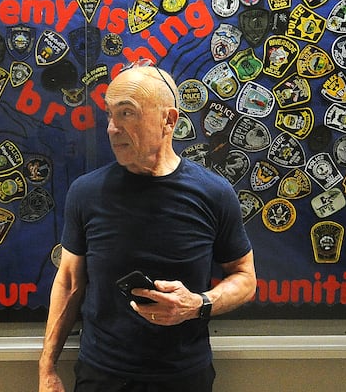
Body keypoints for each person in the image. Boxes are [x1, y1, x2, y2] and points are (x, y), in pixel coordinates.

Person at [38, 63, 256, 392]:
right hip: (102, 375)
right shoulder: (87, 192)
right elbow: (69, 282)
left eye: (127, 113)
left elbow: (245, 278)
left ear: (169, 120)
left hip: (183, 376)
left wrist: (198, 304)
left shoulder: (213, 192)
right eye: (110, 115)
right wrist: (47, 368)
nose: (112, 128)